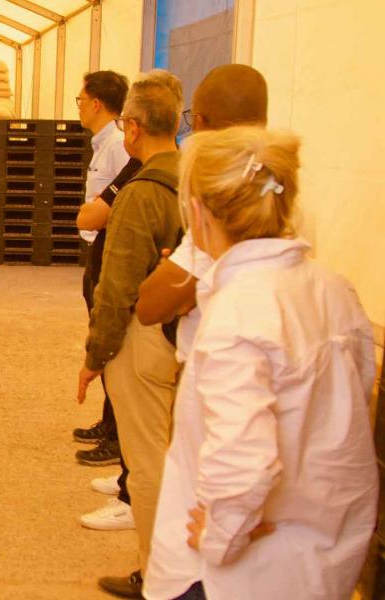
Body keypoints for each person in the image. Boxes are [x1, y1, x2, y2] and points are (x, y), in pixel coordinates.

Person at [143, 127, 378, 600]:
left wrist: (220, 534)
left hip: (230, 580)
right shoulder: (334, 290)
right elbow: (353, 412)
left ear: (199, 211)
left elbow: (243, 457)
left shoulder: (237, 313)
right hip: (320, 558)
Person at [75, 70, 184, 599]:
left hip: (145, 338)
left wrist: (96, 354)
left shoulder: (140, 193)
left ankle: (159, 574)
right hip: (184, 337)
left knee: (147, 466)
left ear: (133, 128)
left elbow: (117, 285)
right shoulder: (192, 176)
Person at [136, 64, 270, 365]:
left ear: (198, 122)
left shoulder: (217, 198)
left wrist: (176, 272)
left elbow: (150, 306)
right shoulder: (282, 192)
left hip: (215, 363)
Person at [70, 70, 136, 533]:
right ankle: (107, 424)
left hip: (109, 248)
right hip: (97, 245)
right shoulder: (104, 144)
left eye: (80, 98)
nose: (77, 105)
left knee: (110, 343)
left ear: (96, 103)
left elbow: (115, 204)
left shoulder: (116, 147)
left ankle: (114, 434)